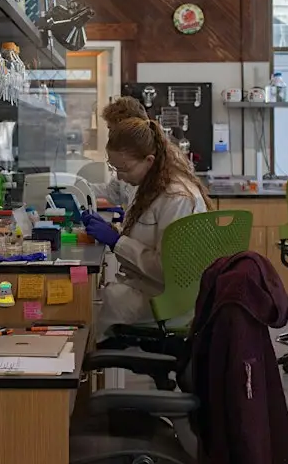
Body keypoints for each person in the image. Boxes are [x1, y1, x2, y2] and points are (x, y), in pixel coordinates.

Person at [81, 117, 207, 327]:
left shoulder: (177, 198)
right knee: (95, 299)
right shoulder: (151, 187)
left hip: (168, 300)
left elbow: (172, 270)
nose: (120, 177)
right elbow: (149, 237)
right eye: (115, 168)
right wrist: (115, 231)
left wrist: (117, 242)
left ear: (149, 160)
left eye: (125, 169)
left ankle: (108, 358)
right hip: (147, 287)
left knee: (92, 308)